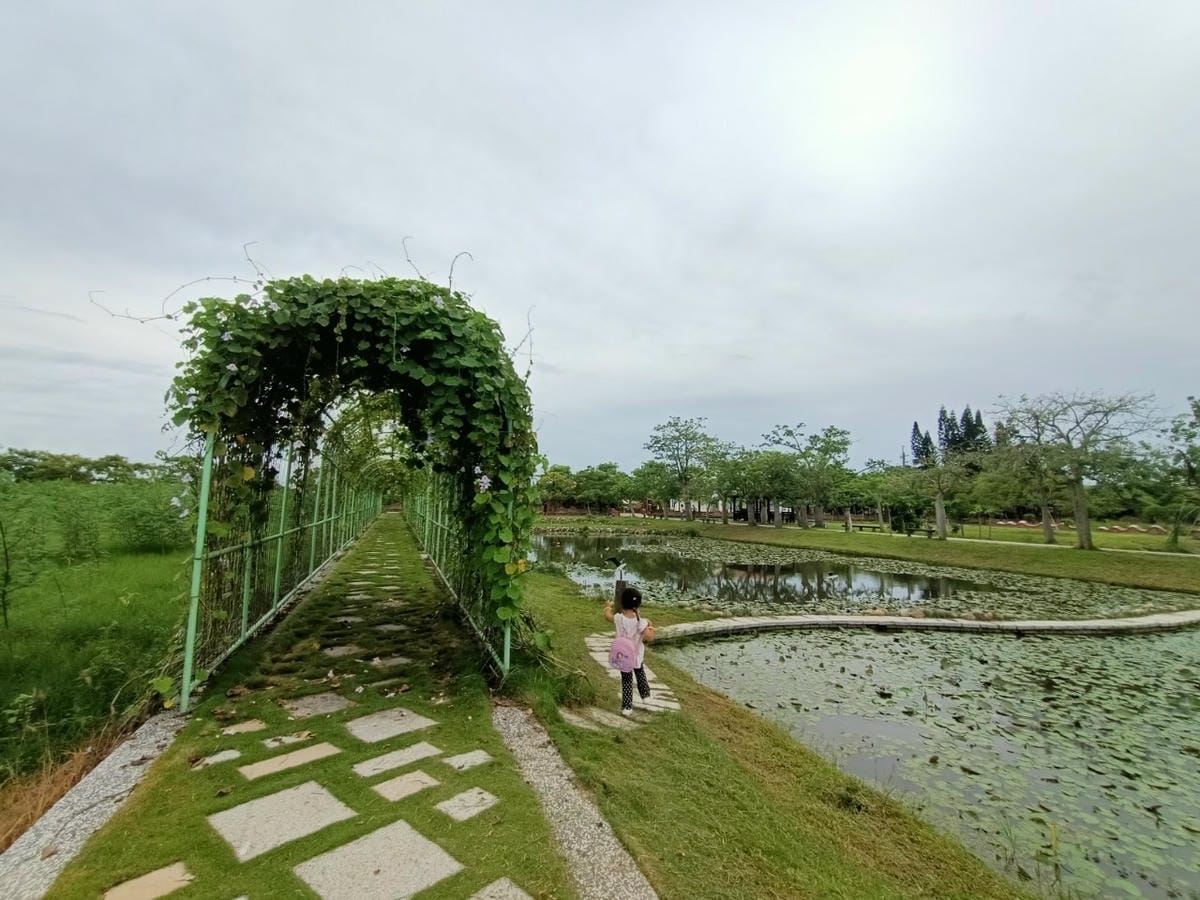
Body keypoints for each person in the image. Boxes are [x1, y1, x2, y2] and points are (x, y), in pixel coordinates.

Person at [604, 586, 655, 715]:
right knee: (640, 674)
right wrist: (651, 626)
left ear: (622, 603)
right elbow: (649, 638)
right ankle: (646, 696)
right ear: (638, 606)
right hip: (636, 657)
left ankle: (627, 707)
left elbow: (607, 616)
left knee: (626, 680)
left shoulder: (618, 618)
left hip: (623, 657)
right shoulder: (641, 622)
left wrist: (608, 607)